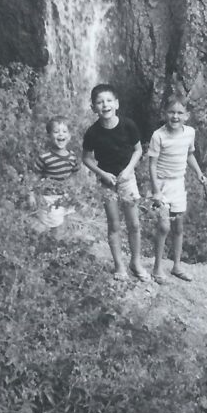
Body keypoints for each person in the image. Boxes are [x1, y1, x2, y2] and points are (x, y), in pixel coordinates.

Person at [82, 84, 150, 281]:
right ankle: (119, 266)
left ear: (117, 104)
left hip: (127, 180)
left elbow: (138, 150)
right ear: (93, 107)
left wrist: (129, 169)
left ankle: (135, 263)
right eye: (100, 102)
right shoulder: (92, 132)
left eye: (109, 101)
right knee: (114, 225)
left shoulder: (128, 125)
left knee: (134, 224)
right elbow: (86, 158)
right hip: (106, 182)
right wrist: (102, 173)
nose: (105, 105)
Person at [147, 95, 206, 283]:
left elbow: (189, 154)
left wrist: (198, 173)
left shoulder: (190, 133)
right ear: (165, 114)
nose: (175, 116)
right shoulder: (158, 136)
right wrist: (156, 191)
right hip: (161, 185)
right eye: (171, 112)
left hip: (178, 184)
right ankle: (157, 269)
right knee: (164, 226)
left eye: (180, 113)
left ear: (187, 115)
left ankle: (177, 266)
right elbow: (152, 165)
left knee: (178, 227)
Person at [27, 115, 80, 235]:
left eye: (64, 131)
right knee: (50, 224)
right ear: (49, 136)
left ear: (69, 136)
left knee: (63, 223)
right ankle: (46, 244)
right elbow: (34, 176)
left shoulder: (72, 157)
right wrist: (31, 194)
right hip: (49, 198)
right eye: (56, 131)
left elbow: (74, 175)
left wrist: (72, 192)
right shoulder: (45, 158)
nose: (61, 134)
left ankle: (58, 247)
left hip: (65, 196)